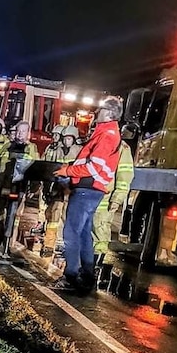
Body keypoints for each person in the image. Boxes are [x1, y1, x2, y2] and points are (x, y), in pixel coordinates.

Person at [53, 96, 124, 292]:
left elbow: (93, 167)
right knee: (83, 233)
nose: (95, 113)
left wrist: (67, 171)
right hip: (91, 189)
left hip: (88, 188)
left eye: (100, 110)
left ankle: (72, 276)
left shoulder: (107, 135)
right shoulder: (106, 133)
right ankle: (87, 274)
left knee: (72, 232)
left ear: (109, 113)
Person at [0, 120, 39, 254]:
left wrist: (34, 188)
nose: (20, 134)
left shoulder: (31, 148)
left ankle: (7, 245)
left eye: (23, 131)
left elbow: (35, 169)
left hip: (17, 188)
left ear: (28, 133)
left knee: (12, 216)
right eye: (18, 131)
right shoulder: (7, 146)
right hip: (1, 186)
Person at [91, 121, 136, 267]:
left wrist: (117, 199)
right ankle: (86, 266)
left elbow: (125, 176)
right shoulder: (95, 142)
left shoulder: (122, 148)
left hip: (105, 198)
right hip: (88, 195)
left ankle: (95, 268)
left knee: (100, 231)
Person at [41, 124, 81, 258]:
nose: (65, 141)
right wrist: (47, 188)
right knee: (54, 215)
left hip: (72, 190)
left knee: (69, 218)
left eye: (69, 138)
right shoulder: (56, 149)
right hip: (58, 188)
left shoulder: (79, 151)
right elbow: (48, 169)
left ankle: (69, 246)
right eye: (64, 138)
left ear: (74, 139)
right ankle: (49, 245)